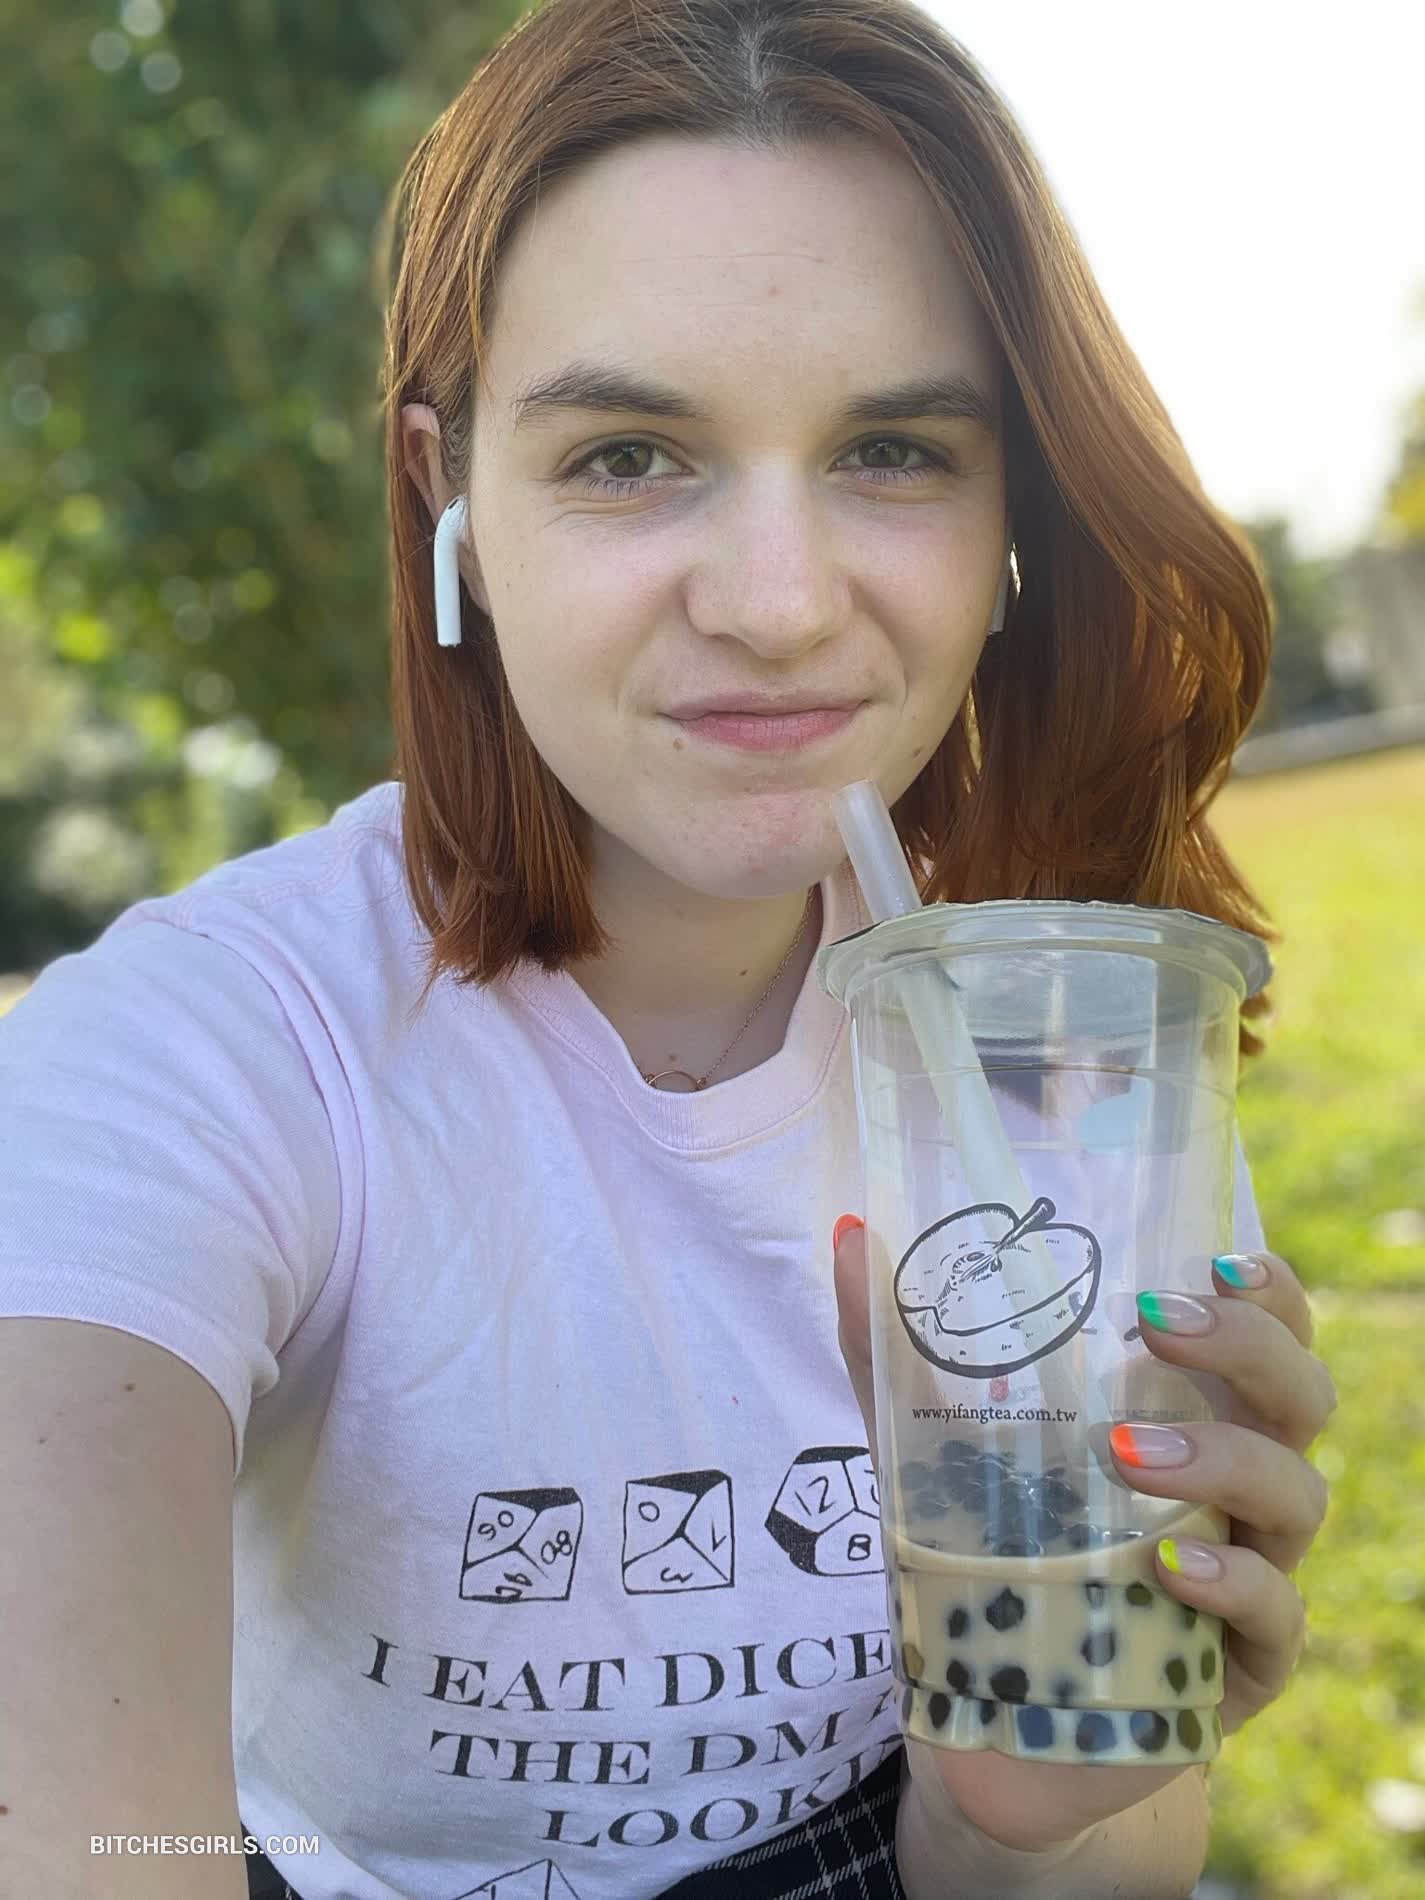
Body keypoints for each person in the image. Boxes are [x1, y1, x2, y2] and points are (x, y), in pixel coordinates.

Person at [0, 2, 1337, 1896]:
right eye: (629, 454)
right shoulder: (192, 1058)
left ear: (1011, 517)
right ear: (450, 497)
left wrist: (1027, 1797)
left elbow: (1061, 1859)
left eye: (893, 448)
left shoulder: (1068, 1045)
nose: (778, 605)